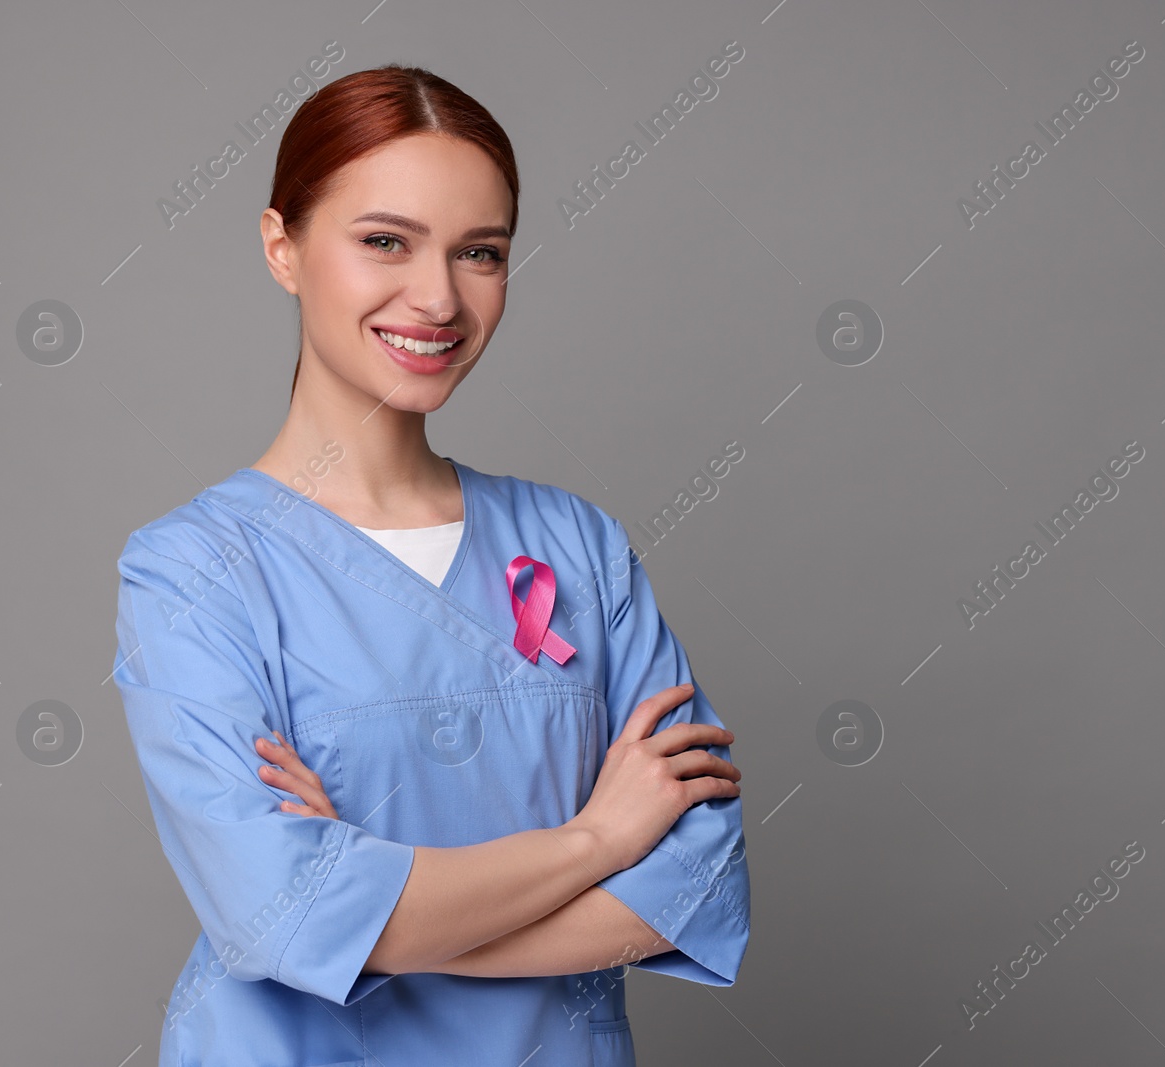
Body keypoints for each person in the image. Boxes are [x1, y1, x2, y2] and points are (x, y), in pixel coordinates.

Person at [111, 64, 749, 1066]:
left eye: (480, 252)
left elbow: (693, 889)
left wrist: (380, 909)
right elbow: (276, 911)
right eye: (384, 242)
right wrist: (595, 842)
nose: (439, 296)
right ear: (282, 247)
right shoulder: (195, 568)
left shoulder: (578, 546)